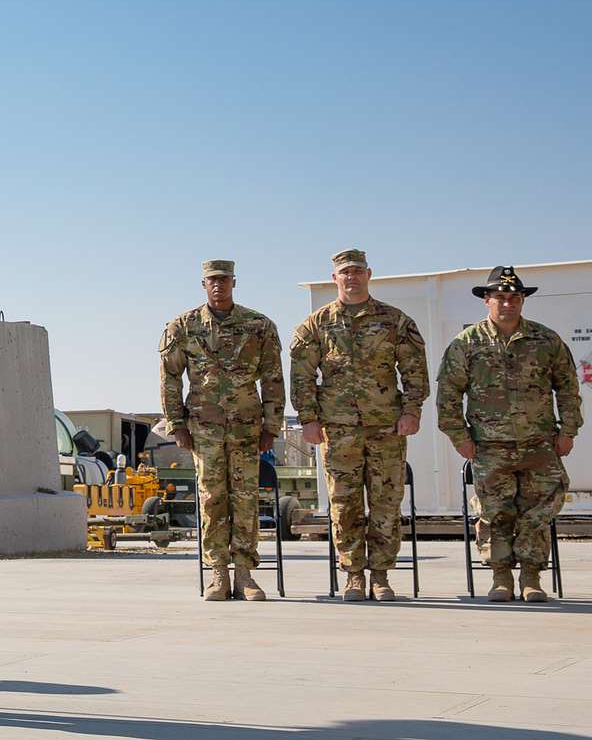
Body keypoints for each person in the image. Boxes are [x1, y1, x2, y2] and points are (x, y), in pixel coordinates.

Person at [290, 249, 428, 602]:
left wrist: (411, 410)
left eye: (357, 271)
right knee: (344, 503)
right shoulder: (316, 324)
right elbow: (302, 376)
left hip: (386, 427)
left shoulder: (395, 320)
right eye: (344, 272)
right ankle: (353, 574)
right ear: (334, 278)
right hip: (338, 430)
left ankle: (380, 576)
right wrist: (308, 418)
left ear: (369, 275)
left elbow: (414, 371)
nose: (351, 277)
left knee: (386, 502)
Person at [437, 266, 581, 602]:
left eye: (514, 297)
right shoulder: (467, 343)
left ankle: (532, 578)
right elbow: (449, 394)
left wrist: (568, 430)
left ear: (522, 301)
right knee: (494, 513)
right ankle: (500, 578)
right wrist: (459, 437)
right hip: (489, 446)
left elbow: (568, 388)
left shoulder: (546, 340)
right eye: (499, 297)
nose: (507, 303)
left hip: (539, 444)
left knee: (538, 511)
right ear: (487, 301)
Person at [159, 259, 285, 601]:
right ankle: (218, 572)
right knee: (212, 499)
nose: (219, 285)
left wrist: (271, 426)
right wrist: (177, 424)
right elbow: (170, 378)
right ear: (203, 285)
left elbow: (273, 379)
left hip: (247, 427)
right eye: (212, 280)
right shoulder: (182, 326)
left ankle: (244, 574)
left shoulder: (258, 325)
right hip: (204, 429)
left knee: (245, 499)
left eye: (224, 279)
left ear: (234, 282)